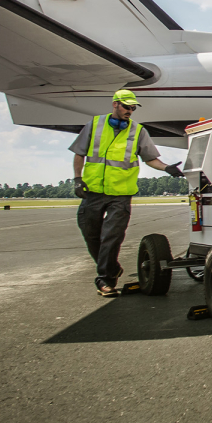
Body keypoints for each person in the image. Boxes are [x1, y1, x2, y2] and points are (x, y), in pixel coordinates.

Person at [70, 90, 183, 297]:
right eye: (126, 107)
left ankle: (106, 280)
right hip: (93, 191)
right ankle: (112, 268)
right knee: (91, 233)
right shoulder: (94, 125)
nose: (130, 111)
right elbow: (79, 153)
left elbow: (150, 158)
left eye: (133, 108)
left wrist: (166, 168)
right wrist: (77, 179)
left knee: (111, 237)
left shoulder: (138, 131)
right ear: (115, 104)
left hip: (121, 194)